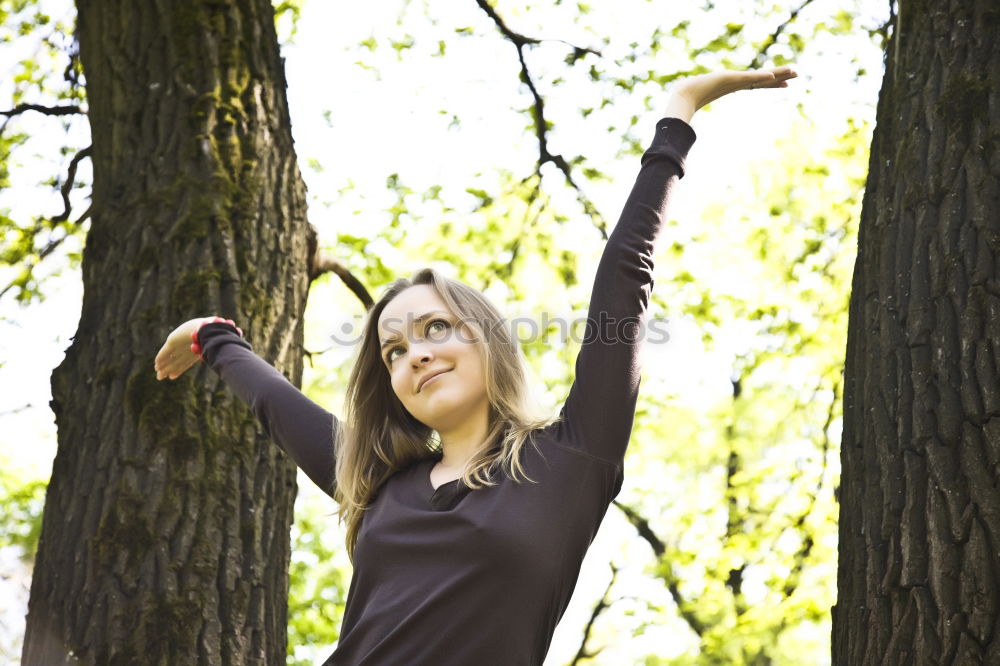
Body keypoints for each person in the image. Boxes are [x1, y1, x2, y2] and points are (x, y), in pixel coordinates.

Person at [153, 66, 797, 665]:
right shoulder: (377, 483)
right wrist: (216, 339)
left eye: (436, 329)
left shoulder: (569, 459)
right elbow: (277, 406)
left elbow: (625, 281)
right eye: (395, 351)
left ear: (489, 341)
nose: (416, 354)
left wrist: (679, 115)